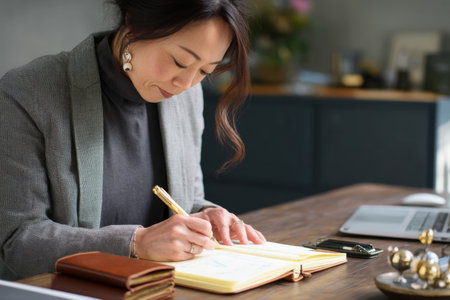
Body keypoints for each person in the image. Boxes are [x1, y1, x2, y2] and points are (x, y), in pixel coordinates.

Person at [0, 0, 266, 280]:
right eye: (180, 62)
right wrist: (135, 244)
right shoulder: (25, 94)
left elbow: (184, 202)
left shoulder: (186, 97)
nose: (186, 84)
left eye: (204, 71)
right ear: (133, 24)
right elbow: (15, 242)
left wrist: (206, 214)